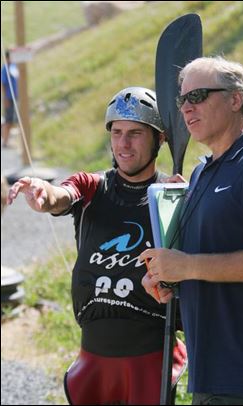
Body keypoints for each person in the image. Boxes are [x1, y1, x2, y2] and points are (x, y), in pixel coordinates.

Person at [7, 87, 187, 405]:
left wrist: (183, 202)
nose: (123, 144)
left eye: (135, 133)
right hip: (94, 358)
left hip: (148, 360)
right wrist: (42, 192)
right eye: (116, 133)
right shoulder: (93, 187)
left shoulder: (172, 195)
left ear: (160, 139)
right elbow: (60, 196)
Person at [140, 57, 243, 405]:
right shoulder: (201, 174)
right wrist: (168, 279)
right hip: (208, 373)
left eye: (198, 95)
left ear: (235, 99)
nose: (186, 108)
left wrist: (187, 266)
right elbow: (202, 258)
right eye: (182, 99)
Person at [1, 49, 19, 147]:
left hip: (15, 98)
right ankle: (5, 141)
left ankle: (7, 140)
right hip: (8, 98)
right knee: (8, 120)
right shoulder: (4, 69)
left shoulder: (14, 68)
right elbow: (2, 85)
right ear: (7, 58)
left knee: (13, 120)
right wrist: (4, 99)